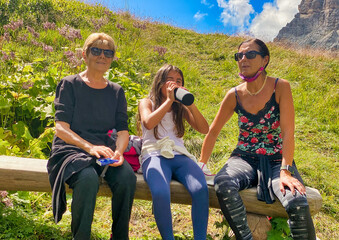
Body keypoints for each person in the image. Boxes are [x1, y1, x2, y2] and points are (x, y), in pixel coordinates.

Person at [199, 38, 316, 240]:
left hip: (277, 160)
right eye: (239, 55)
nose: (243, 59)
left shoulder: (280, 87)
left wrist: (286, 171)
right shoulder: (233, 95)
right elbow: (213, 131)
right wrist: (201, 163)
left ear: (265, 60)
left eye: (250, 54)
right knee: (223, 182)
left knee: (296, 201)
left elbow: (288, 132)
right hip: (243, 158)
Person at [47, 32, 136, 240]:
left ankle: (120, 236)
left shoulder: (116, 91)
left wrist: (119, 152)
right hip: (71, 148)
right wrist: (89, 147)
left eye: (108, 52)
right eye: (96, 50)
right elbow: (61, 128)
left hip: (104, 150)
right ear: (85, 55)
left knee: (127, 178)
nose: (102, 56)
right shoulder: (69, 84)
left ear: (112, 58)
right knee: (87, 178)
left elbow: (123, 130)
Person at [138, 64, 210, 240]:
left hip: (179, 155)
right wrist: (169, 101)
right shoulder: (147, 102)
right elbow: (148, 122)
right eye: (170, 80)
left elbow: (204, 129)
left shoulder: (180, 108)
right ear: (159, 82)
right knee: (161, 192)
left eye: (178, 81)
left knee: (200, 189)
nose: (174, 84)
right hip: (154, 155)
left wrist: (190, 105)